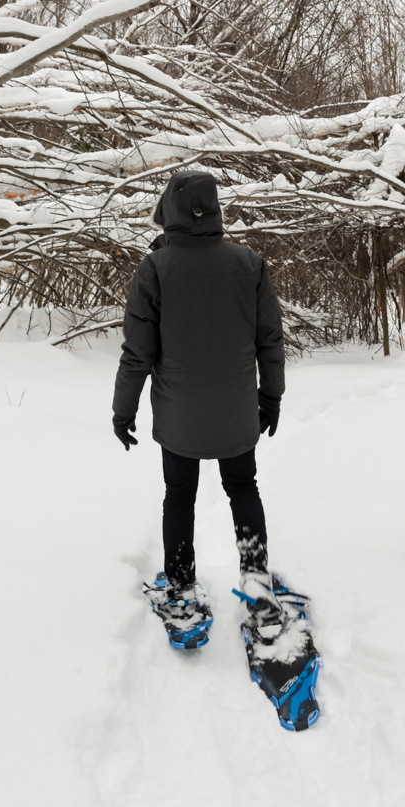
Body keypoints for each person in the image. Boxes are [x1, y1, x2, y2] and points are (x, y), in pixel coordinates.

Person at [112, 169, 285, 620]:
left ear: (168, 211)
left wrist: (123, 409)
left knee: (179, 495)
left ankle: (181, 582)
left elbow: (138, 352)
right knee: (243, 487)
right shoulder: (249, 263)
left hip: (179, 415)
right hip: (237, 411)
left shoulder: (155, 269)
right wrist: (272, 398)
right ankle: (255, 575)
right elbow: (270, 340)